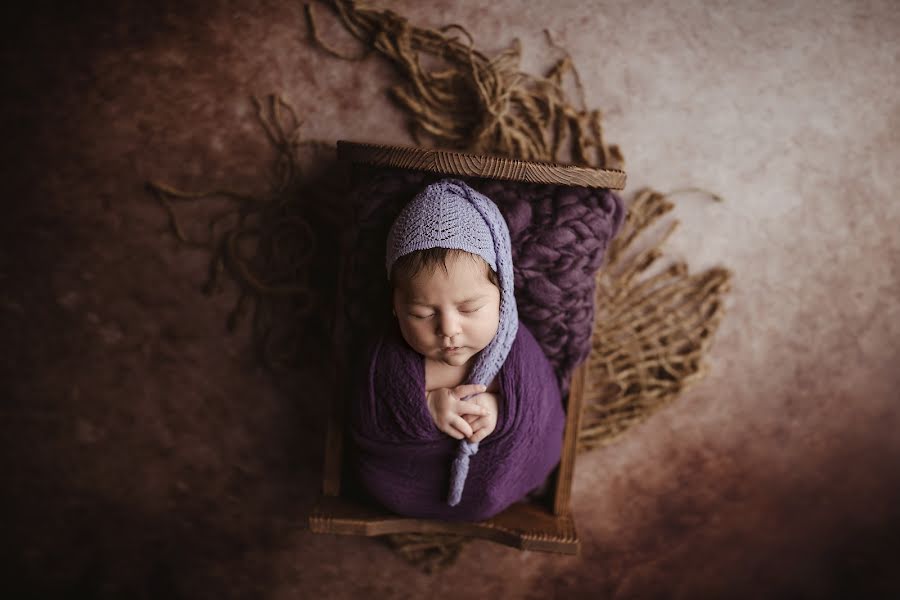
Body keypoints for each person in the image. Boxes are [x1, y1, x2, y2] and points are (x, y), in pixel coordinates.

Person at [351, 178, 565, 520]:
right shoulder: (388, 357)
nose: (448, 330)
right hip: (404, 485)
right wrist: (423, 408)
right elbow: (366, 417)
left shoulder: (517, 353)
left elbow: (540, 416)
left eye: (468, 309)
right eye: (422, 314)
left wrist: (498, 413)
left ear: (503, 296)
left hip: (496, 483)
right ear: (395, 307)